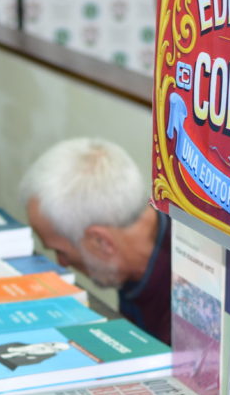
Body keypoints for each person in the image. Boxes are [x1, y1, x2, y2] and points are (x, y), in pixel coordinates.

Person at [20, 138, 171, 344]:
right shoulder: (135, 257)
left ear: (101, 242)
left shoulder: (189, 305)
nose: (61, 263)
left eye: (62, 252)